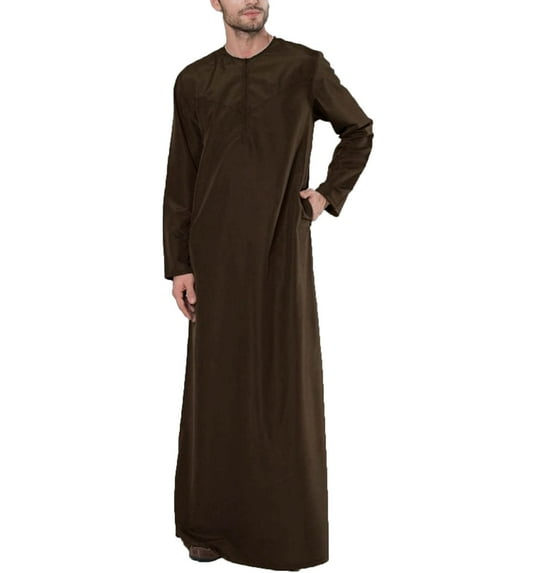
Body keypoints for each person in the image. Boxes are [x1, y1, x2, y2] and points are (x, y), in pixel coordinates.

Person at [162, 0, 374, 570]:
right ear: (216, 2)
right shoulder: (193, 80)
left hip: (282, 247)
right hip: (213, 257)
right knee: (217, 386)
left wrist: (326, 196)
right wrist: (180, 263)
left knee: (283, 383)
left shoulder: (304, 67)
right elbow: (182, 173)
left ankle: (283, 533)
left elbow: (358, 130)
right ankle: (207, 527)